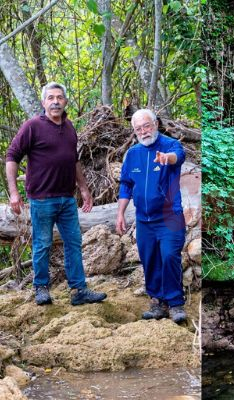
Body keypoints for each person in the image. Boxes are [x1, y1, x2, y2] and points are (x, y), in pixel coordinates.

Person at [5, 82, 107, 306]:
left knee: (74, 242)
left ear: (65, 102)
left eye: (59, 98)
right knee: (42, 244)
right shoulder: (32, 127)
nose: (55, 102)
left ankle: (79, 290)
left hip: (67, 199)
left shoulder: (70, 128)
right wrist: (14, 192)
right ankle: (41, 288)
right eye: (50, 98)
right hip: (41, 199)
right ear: (43, 103)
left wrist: (84, 189)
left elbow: (74, 161)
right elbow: (12, 157)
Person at [116, 108, 188, 324]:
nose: (143, 131)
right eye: (138, 129)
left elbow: (179, 156)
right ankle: (158, 302)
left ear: (156, 124)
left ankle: (175, 304)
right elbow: (126, 185)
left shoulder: (170, 146)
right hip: (144, 219)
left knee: (169, 256)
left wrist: (168, 158)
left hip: (169, 217)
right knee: (150, 260)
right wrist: (120, 213)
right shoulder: (133, 154)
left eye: (146, 126)